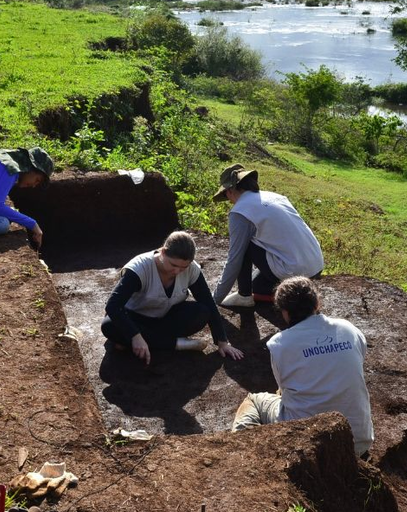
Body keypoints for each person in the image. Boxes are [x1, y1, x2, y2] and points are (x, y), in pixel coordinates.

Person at [230, 277, 374, 457]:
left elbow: (283, 390)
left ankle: (243, 456)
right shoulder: (349, 329)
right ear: (317, 303)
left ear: (284, 312)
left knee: (255, 400)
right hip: (358, 443)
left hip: (308, 447)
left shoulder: (279, 344)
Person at [102, 231, 245, 366]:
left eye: (183, 267)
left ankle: (141, 341)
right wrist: (135, 335)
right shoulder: (140, 268)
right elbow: (112, 306)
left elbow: (207, 301)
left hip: (166, 319)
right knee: (109, 326)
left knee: (202, 311)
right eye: (173, 265)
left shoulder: (192, 268)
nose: (177, 271)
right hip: (136, 318)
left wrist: (222, 341)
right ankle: (177, 344)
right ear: (163, 252)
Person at [211, 164, 324, 309]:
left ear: (230, 190)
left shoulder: (240, 212)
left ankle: (244, 296)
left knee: (243, 246)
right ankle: (284, 293)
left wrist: (215, 299)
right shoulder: (276, 197)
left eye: (226, 195)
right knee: (256, 286)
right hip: (315, 266)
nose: (229, 200)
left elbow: (235, 258)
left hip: (293, 271)